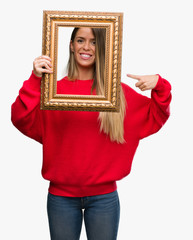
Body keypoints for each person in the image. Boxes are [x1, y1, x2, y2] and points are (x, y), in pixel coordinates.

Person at [11, 27, 172, 240]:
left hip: (104, 198)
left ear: (102, 48)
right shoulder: (52, 92)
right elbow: (20, 117)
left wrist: (160, 84)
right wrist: (35, 78)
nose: (86, 47)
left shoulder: (118, 94)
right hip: (61, 197)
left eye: (94, 42)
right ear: (71, 45)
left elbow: (156, 115)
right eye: (80, 40)